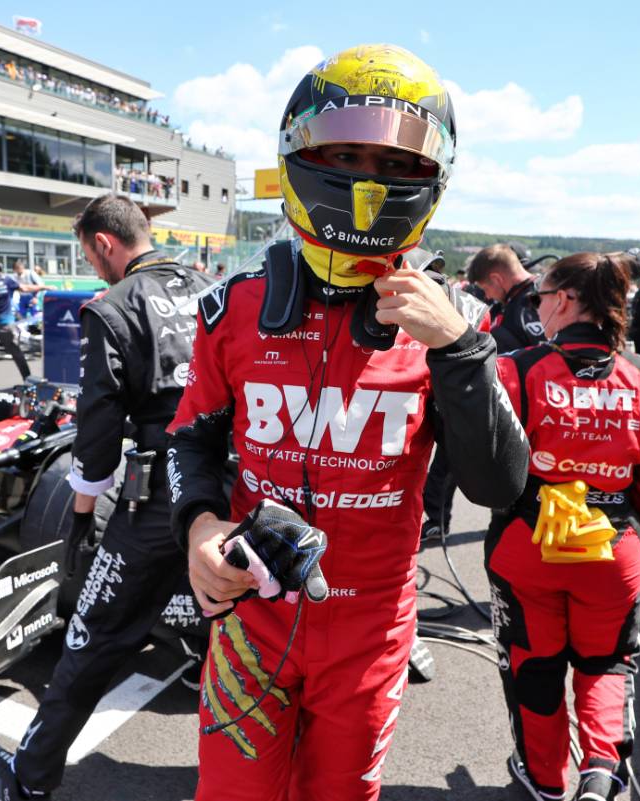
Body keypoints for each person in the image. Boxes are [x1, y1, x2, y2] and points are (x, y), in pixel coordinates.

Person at [164, 45, 528, 800]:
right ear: (302, 151)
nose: (370, 178)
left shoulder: (454, 323)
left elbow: (500, 483)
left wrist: (460, 350)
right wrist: (198, 527)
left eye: (398, 163)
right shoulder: (231, 308)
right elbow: (189, 439)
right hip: (250, 623)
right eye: (349, 152)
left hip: (370, 630)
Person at [0, 194, 218, 799]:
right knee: (245, 630)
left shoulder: (112, 306)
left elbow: (99, 432)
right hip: (234, 481)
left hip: (159, 495)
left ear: (103, 244)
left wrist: (81, 517)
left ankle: (27, 780)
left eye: (89, 252)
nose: (93, 264)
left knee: (95, 632)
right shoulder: (217, 289)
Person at [487, 253, 640, 801]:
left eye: (539, 298)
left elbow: (488, 471)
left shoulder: (516, 368)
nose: (537, 307)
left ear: (566, 300)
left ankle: (547, 782)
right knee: (606, 664)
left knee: (535, 666)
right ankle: (600, 774)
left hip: (530, 547)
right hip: (613, 548)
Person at [468, 243, 547, 352]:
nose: (487, 295)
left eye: (485, 288)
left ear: (497, 279)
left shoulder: (539, 300)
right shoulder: (510, 300)